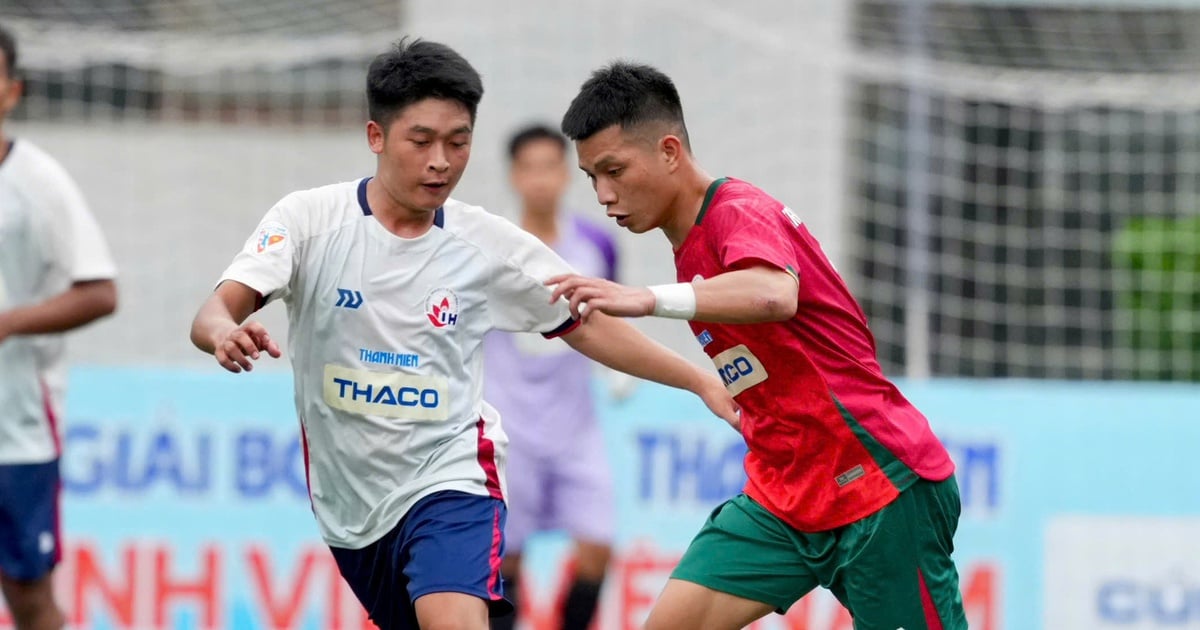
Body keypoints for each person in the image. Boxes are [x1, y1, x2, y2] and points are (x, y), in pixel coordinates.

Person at [188, 39, 737, 630]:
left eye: (459, 142)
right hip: (351, 511)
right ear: (376, 136)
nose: (441, 161)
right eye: (421, 141)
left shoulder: (487, 246)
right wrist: (224, 333)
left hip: (454, 478)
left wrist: (698, 381)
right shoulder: (308, 222)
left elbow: (584, 324)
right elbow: (216, 310)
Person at [550, 62, 966, 630]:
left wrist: (646, 298)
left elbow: (774, 294)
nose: (602, 193)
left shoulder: (738, 211)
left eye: (614, 170)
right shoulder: (688, 241)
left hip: (876, 481)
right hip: (786, 489)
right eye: (591, 176)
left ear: (670, 150)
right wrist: (700, 381)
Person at [0, 23, 119, 630]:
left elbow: (101, 292)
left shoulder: (37, 183)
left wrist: (9, 323)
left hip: (16, 432)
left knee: (29, 597)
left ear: (11, 91)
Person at [485, 124, 624, 630]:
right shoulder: (491, 248)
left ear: (567, 173)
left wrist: (618, 370)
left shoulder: (595, 244)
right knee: (509, 559)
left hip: (575, 426)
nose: (541, 179)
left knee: (597, 547)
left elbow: (610, 316)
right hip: (509, 428)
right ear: (514, 176)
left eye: (551, 166)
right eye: (530, 168)